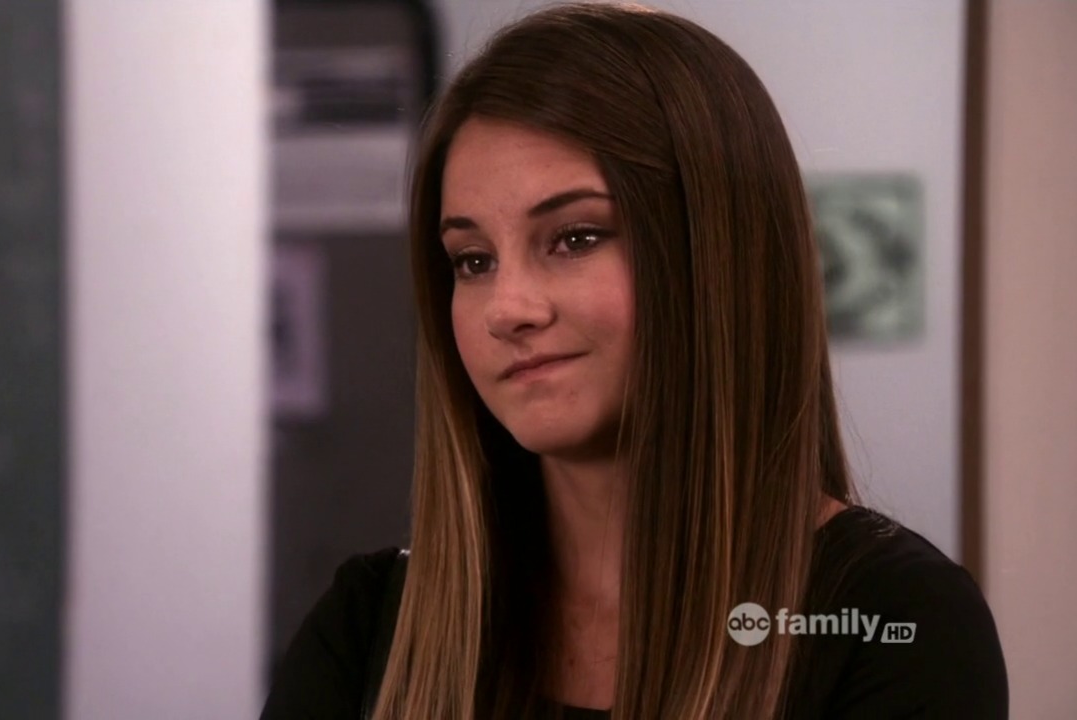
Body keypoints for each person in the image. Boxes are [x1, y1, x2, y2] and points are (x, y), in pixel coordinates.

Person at [261, 4, 1008, 719]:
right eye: (473, 259)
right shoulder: (370, 630)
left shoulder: (888, 623)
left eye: (576, 238)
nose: (507, 308)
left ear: (716, 256)